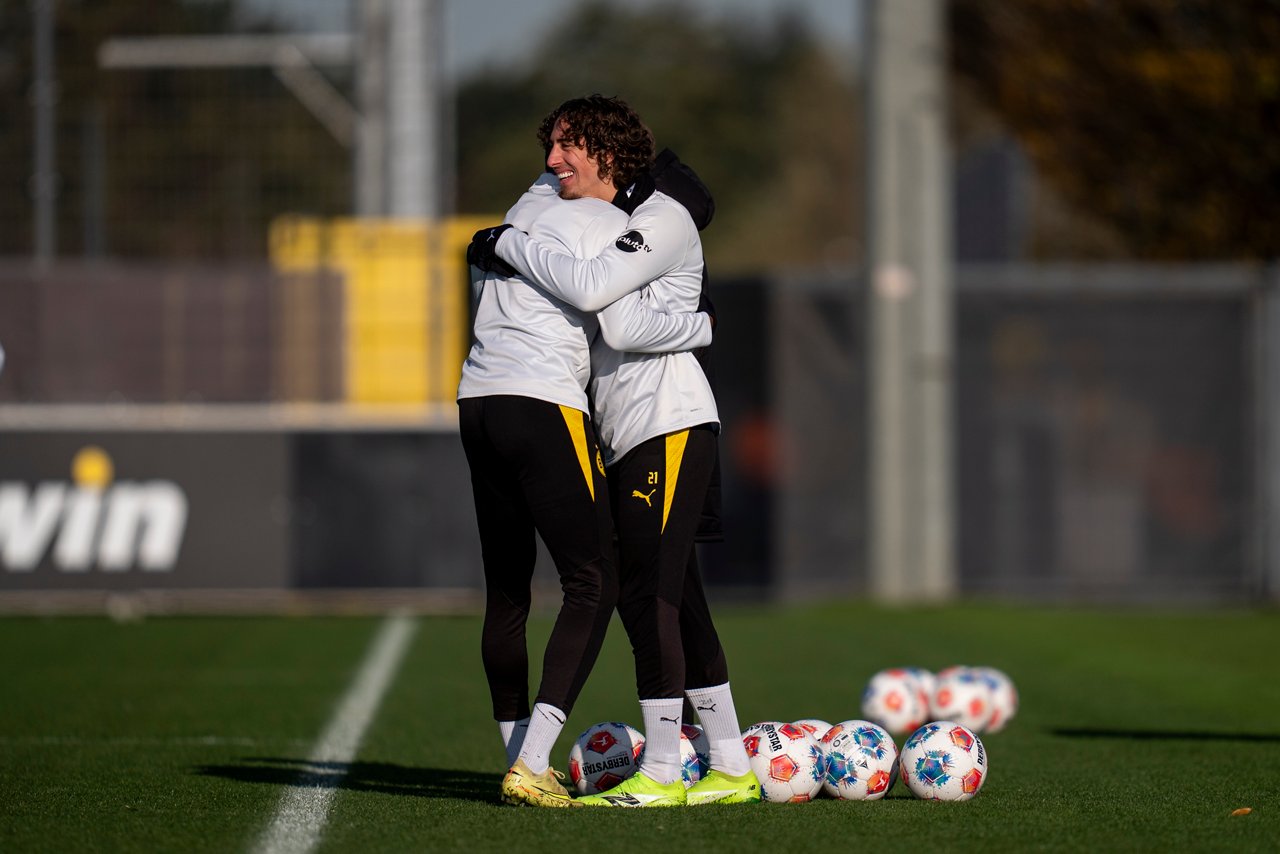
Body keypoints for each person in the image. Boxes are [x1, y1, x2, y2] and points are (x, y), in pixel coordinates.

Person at [469, 95, 759, 808]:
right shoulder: (600, 208)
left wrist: (505, 242)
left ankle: (663, 771)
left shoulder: (661, 214)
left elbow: (617, 315)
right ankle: (730, 765)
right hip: (625, 431)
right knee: (678, 598)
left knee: (645, 593)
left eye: (569, 146)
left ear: (609, 151)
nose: (551, 161)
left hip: (668, 421)